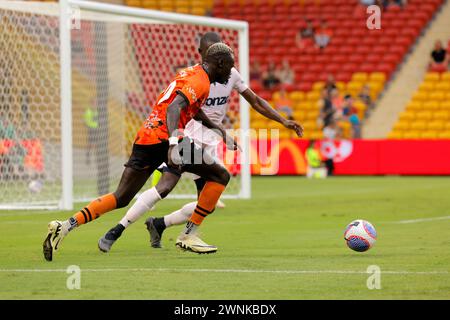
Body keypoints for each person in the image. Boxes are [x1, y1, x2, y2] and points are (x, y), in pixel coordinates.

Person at [43, 42, 237, 260]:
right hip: (167, 138)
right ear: (219, 63)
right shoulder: (200, 81)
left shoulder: (192, 73)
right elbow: (175, 107)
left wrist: (218, 130)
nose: (230, 72)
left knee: (121, 197)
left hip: (147, 136)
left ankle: (66, 225)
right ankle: (188, 234)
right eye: (229, 67)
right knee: (220, 175)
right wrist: (174, 142)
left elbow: (191, 108)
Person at [144, 33, 303, 249]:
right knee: (168, 184)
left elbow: (255, 101)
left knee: (208, 204)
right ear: (205, 55)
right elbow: (182, 107)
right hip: (191, 136)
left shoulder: (231, 75)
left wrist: (283, 120)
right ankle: (126, 223)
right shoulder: (195, 78)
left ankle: (159, 224)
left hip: (211, 140)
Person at [83, 101, 98, 165]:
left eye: (96, 104)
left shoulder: (98, 112)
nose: (95, 105)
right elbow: (85, 122)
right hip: (91, 130)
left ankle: (97, 158)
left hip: (97, 130)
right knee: (90, 144)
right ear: (91, 104)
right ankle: (88, 157)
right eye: (94, 103)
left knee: (97, 145)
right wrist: (90, 127)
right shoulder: (88, 112)